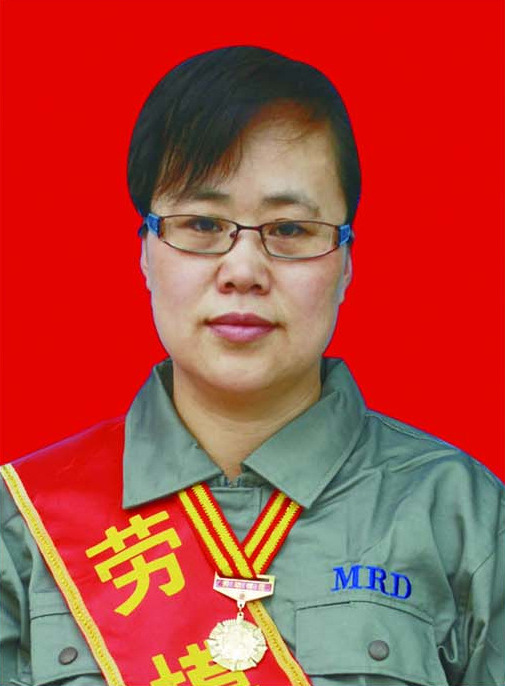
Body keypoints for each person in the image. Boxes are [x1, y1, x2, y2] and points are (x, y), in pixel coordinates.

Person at [0, 46, 503, 686]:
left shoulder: (459, 515)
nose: (243, 270)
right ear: (146, 253)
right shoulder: (23, 526)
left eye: (289, 230)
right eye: (202, 223)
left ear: (346, 262)